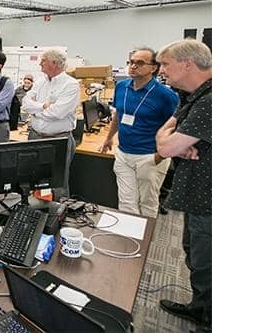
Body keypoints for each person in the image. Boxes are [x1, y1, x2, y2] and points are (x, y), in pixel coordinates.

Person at [154, 40, 212, 332]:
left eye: (166, 64)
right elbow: (164, 134)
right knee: (195, 254)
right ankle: (200, 309)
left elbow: (165, 146)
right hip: (196, 195)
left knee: (207, 263)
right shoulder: (191, 95)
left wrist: (173, 144)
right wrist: (174, 144)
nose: (161, 70)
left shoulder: (212, 99)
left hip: (209, 200)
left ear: (187, 63)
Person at [99, 48, 179, 218]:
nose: (133, 66)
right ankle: (131, 240)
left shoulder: (166, 95)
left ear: (153, 68)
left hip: (149, 156)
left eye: (140, 63)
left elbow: (176, 127)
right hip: (123, 154)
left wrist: (161, 155)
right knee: (126, 202)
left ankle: (145, 241)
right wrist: (108, 138)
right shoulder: (121, 87)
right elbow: (119, 115)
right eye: (131, 62)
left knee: (147, 203)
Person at [22, 49, 79, 198]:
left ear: (54, 63)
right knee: (33, 178)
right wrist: (42, 106)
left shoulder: (70, 85)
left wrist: (35, 111)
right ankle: (35, 213)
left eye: (43, 60)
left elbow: (57, 113)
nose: (40, 63)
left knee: (58, 181)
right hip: (35, 136)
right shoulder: (40, 82)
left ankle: (58, 213)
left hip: (57, 139)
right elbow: (25, 103)